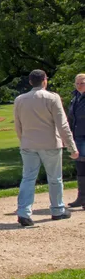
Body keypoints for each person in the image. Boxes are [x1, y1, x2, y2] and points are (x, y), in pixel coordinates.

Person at [13, 70, 80, 227]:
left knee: (28, 178)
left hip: (28, 144)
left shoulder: (20, 99)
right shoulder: (53, 98)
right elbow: (62, 124)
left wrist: (23, 139)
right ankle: (57, 210)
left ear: (30, 82)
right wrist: (71, 146)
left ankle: (24, 212)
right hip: (50, 144)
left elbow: (18, 124)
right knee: (55, 179)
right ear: (44, 80)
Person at [67, 73, 85, 208]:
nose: (79, 85)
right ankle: (82, 197)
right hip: (78, 136)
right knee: (80, 166)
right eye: (77, 83)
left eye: (82, 83)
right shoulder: (75, 98)